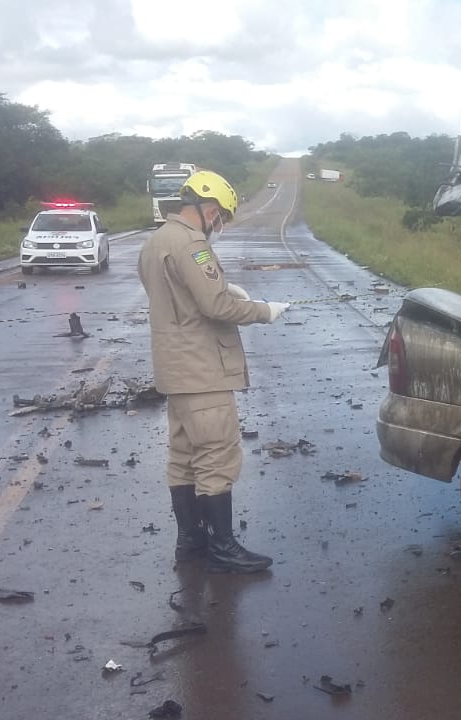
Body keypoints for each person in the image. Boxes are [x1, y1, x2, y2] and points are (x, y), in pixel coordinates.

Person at [137, 170, 291, 574]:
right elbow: (215, 306)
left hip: (174, 369)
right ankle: (223, 547)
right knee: (217, 455)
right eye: (221, 217)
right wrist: (262, 310)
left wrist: (224, 294)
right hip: (202, 369)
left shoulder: (155, 242)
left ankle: (191, 541)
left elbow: (173, 297)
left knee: (183, 456)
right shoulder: (191, 244)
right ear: (208, 210)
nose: (219, 225)